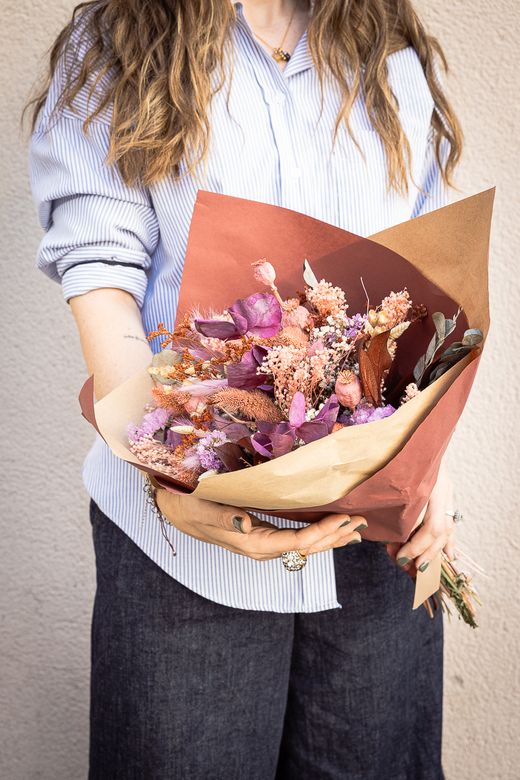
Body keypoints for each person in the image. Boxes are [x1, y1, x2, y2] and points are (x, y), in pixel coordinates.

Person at [27, 1, 463, 777]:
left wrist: (434, 471)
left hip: (377, 535)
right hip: (183, 541)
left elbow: (424, 294)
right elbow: (101, 274)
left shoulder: (385, 47)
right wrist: (173, 480)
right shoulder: (120, 38)